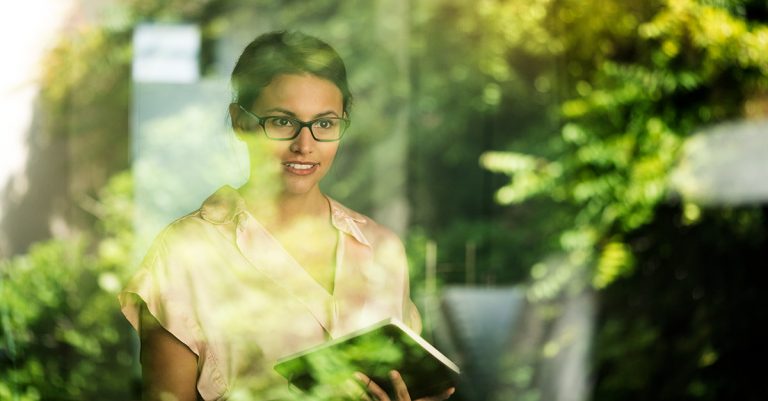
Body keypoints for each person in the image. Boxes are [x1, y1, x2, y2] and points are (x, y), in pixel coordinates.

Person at [119, 30, 455, 401]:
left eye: (324, 124)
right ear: (240, 121)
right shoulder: (185, 251)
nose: (305, 145)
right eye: (282, 121)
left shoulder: (381, 249)